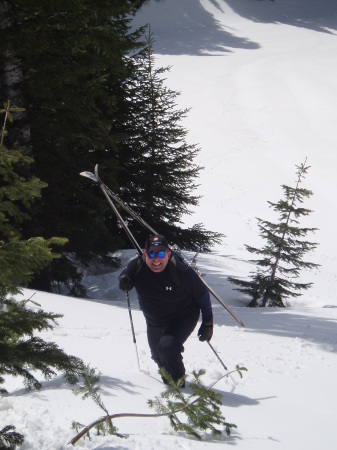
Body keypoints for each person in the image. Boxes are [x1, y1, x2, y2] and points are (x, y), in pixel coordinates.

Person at [118, 234, 213, 386]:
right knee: (157, 356)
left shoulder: (182, 271)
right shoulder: (137, 266)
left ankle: (178, 388)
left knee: (167, 347)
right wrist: (124, 281)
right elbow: (124, 276)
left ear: (168, 254)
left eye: (161, 253)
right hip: (154, 321)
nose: (156, 259)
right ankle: (169, 381)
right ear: (145, 254)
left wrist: (208, 322)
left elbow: (202, 295)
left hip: (182, 316)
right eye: (152, 253)